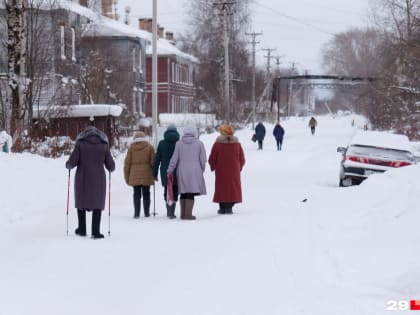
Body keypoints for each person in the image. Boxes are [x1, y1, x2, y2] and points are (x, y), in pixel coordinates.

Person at [65, 126, 115, 239]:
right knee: (97, 203)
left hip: (82, 178)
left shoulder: (80, 144)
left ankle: (82, 229)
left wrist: (68, 165)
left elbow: (72, 162)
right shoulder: (104, 145)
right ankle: (95, 231)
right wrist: (111, 168)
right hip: (99, 179)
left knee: (81, 202)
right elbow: (111, 165)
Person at [167, 126, 206, 220]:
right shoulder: (199, 144)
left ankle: (183, 214)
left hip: (182, 170)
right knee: (191, 192)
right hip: (195, 169)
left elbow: (174, 158)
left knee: (183, 191)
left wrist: (170, 169)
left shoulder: (178, 144)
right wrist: (202, 169)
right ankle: (188, 215)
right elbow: (203, 159)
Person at [208, 124, 245, 215]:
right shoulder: (237, 144)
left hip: (221, 170)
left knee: (222, 187)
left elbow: (212, 158)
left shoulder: (217, 144)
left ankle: (223, 207)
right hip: (234, 171)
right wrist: (239, 168)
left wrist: (213, 166)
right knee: (233, 188)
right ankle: (229, 206)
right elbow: (242, 159)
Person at [124, 131, 155, 218]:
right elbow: (153, 162)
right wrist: (154, 173)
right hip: (147, 173)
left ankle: (136, 213)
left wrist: (127, 176)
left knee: (136, 193)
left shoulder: (131, 148)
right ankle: (147, 213)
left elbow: (127, 163)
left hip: (134, 174)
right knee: (146, 193)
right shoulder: (150, 147)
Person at [153, 124, 180, 219]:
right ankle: (172, 211)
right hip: (177, 170)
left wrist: (154, 173)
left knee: (167, 190)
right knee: (175, 189)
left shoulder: (161, 143)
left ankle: (169, 210)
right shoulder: (179, 143)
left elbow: (157, 159)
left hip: (165, 171)